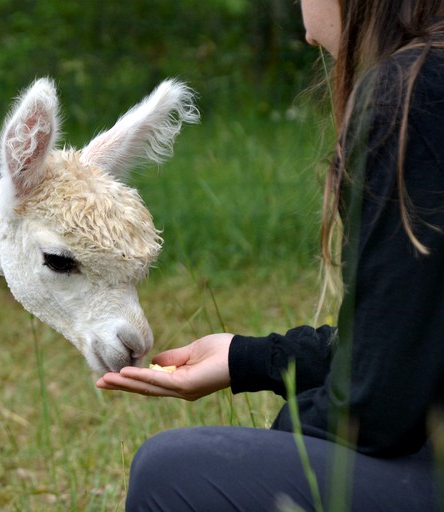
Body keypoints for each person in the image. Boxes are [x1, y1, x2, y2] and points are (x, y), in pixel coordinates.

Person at [96, 1, 444, 510]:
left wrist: (289, 430)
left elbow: (377, 411)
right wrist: (248, 358)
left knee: (171, 471)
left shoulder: (414, 93)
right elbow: (415, 345)